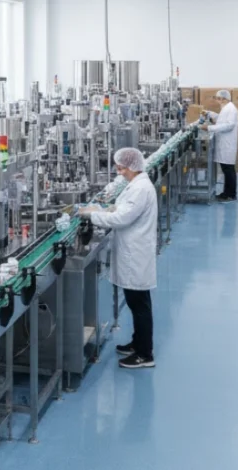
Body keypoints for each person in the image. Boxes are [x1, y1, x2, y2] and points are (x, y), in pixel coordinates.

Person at [79, 148, 157, 369]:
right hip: (133, 249)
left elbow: (123, 218)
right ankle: (138, 342)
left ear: (132, 167)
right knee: (136, 302)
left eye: (122, 168)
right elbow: (124, 209)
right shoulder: (137, 185)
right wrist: (109, 208)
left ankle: (145, 354)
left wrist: (93, 215)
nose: (120, 172)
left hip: (136, 252)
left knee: (139, 303)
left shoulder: (141, 188)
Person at [202, 89, 238, 202]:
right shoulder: (226, 108)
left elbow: (229, 125)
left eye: (218, 98)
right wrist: (209, 113)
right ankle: (226, 193)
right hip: (224, 143)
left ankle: (231, 194)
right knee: (226, 169)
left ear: (224, 99)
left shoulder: (231, 109)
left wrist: (209, 128)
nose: (217, 101)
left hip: (227, 144)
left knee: (228, 170)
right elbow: (221, 119)